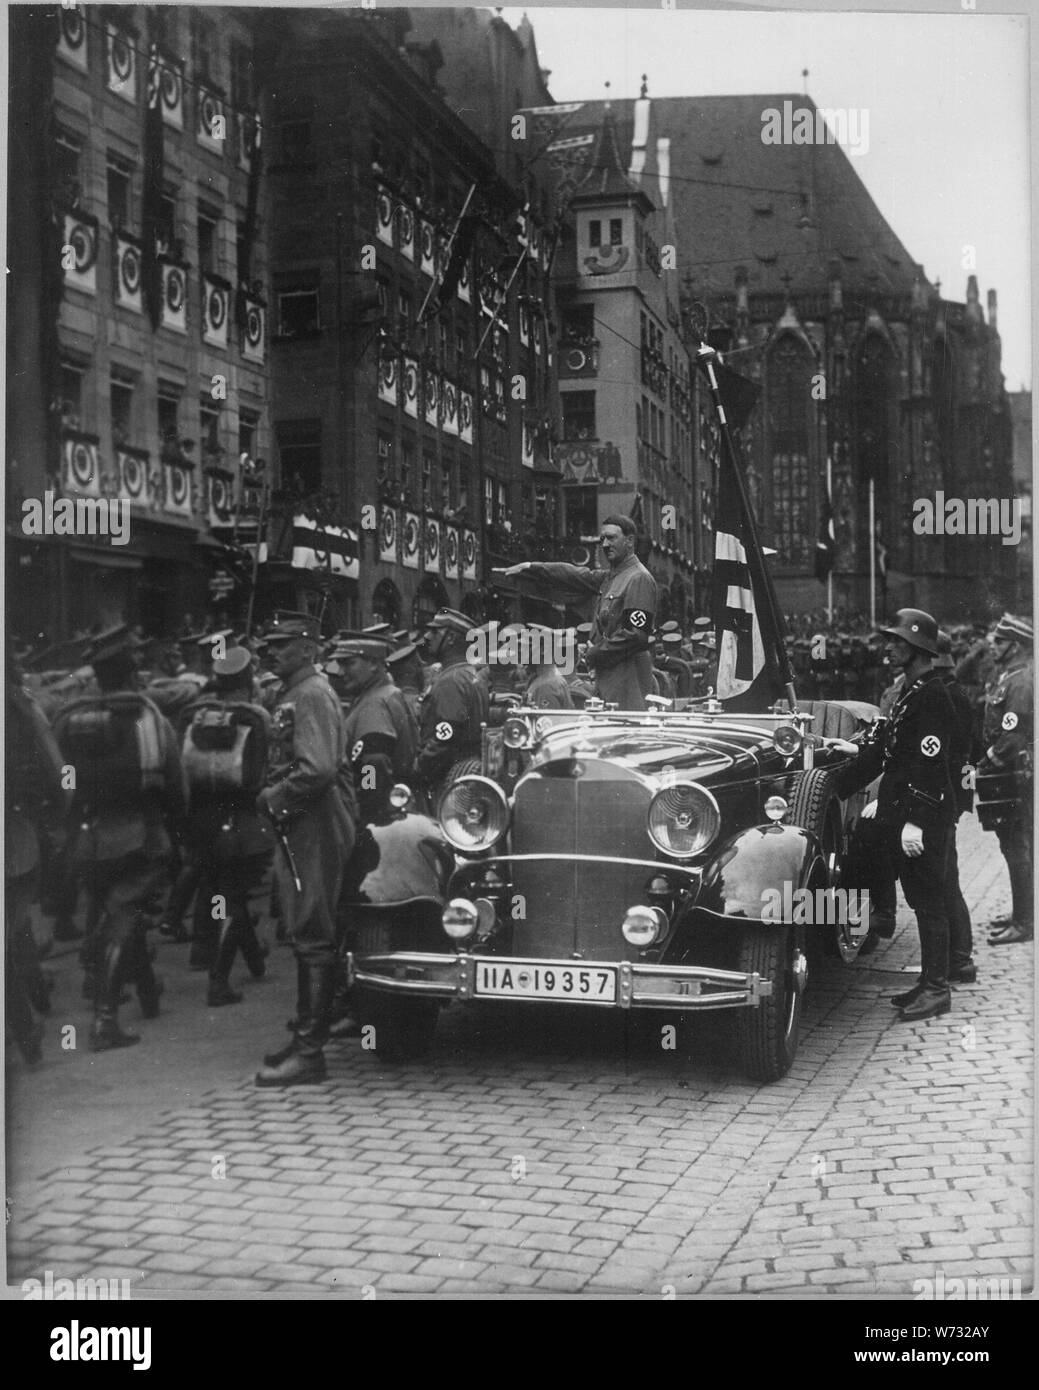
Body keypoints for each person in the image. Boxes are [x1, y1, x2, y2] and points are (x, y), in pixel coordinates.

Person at [52, 625, 186, 1050]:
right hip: (140, 835)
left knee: (119, 911)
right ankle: (105, 1020)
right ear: (132, 673)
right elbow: (175, 784)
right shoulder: (148, 716)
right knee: (125, 917)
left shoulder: (71, 718)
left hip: (89, 840)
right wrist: (178, 831)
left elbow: (63, 781)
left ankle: (146, 993)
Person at [830, 609, 959, 1022]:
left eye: (896, 642)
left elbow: (931, 763)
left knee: (929, 902)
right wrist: (834, 786)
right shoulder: (911, 691)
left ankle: (937, 989)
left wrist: (916, 821)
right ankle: (927, 983)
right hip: (901, 811)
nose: (888, 648)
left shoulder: (933, 695)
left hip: (922, 816)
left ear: (918, 648)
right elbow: (883, 751)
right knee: (921, 899)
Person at [253, 612, 356, 1086]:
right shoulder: (297, 691)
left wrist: (274, 798)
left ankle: (310, 1052)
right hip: (303, 822)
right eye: (271, 643)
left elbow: (316, 769)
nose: (271, 650)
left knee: (312, 928)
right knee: (305, 926)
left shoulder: (311, 693)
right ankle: (305, 1038)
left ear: (309, 648)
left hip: (311, 823)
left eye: (283, 643)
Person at [180, 647, 275, 1007]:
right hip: (243, 820)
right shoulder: (256, 717)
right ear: (249, 681)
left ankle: (252, 960)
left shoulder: (193, 715)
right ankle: (218, 981)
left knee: (222, 889)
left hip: (203, 822)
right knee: (234, 899)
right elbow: (266, 767)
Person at [495, 516, 658, 709]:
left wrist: (593, 653)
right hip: (610, 679)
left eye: (611, 538)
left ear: (630, 541)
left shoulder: (638, 579)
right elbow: (575, 575)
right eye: (602, 539)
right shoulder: (613, 577)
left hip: (628, 685)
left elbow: (636, 635)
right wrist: (532, 568)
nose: (605, 544)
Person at [6, 647, 70, 1061]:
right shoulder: (17, 702)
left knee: (14, 923)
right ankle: (27, 1033)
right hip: (11, 835)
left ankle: (35, 1001)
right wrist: (60, 818)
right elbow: (57, 767)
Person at [976, 613, 1033, 946]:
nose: (992, 645)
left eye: (999, 641)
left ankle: (1025, 922)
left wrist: (984, 765)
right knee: (1015, 845)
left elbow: (1012, 738)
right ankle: (1022, 914)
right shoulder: (1011, 676)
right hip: (1012, 772)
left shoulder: (1021, 681)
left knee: (1016, 847)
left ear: (1015, 646)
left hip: (1015, 773)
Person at [326, 632, 418, 824]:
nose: (341, 672)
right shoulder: (384, 694)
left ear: (374, 664)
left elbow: (373, 763)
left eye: (349, 663)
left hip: (376, 816)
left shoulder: (375, 702)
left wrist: (368, 805)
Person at [933, 630, 978, 981]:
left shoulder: (951, 695)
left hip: (944, 798)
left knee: (948, 881)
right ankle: (958, 956)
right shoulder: (948, 690)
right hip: (947, 796)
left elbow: (966, 756)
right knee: (947, 878)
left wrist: (962, 799)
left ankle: (961, 958)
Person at [414, 608, 489, 805]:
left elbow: (444, 739)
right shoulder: (469, 674)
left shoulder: (451, 681)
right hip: (467, 772)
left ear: (451, 638)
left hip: (449, 780)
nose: (427, 636)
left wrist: (417, 770)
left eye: (435, 632)